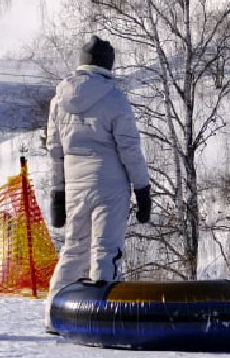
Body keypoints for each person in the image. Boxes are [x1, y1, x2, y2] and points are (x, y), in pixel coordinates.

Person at [45, 36, 151, 324]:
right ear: (108, 63)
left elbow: (55, 150)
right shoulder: (115, 99)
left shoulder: (59, 100)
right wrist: (142, 189)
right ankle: (102, 318)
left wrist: (57, 194)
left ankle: (54, 313)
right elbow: (129, 149)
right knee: (105, 251)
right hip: (110, 186)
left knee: (73, 250)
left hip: (75, 185)